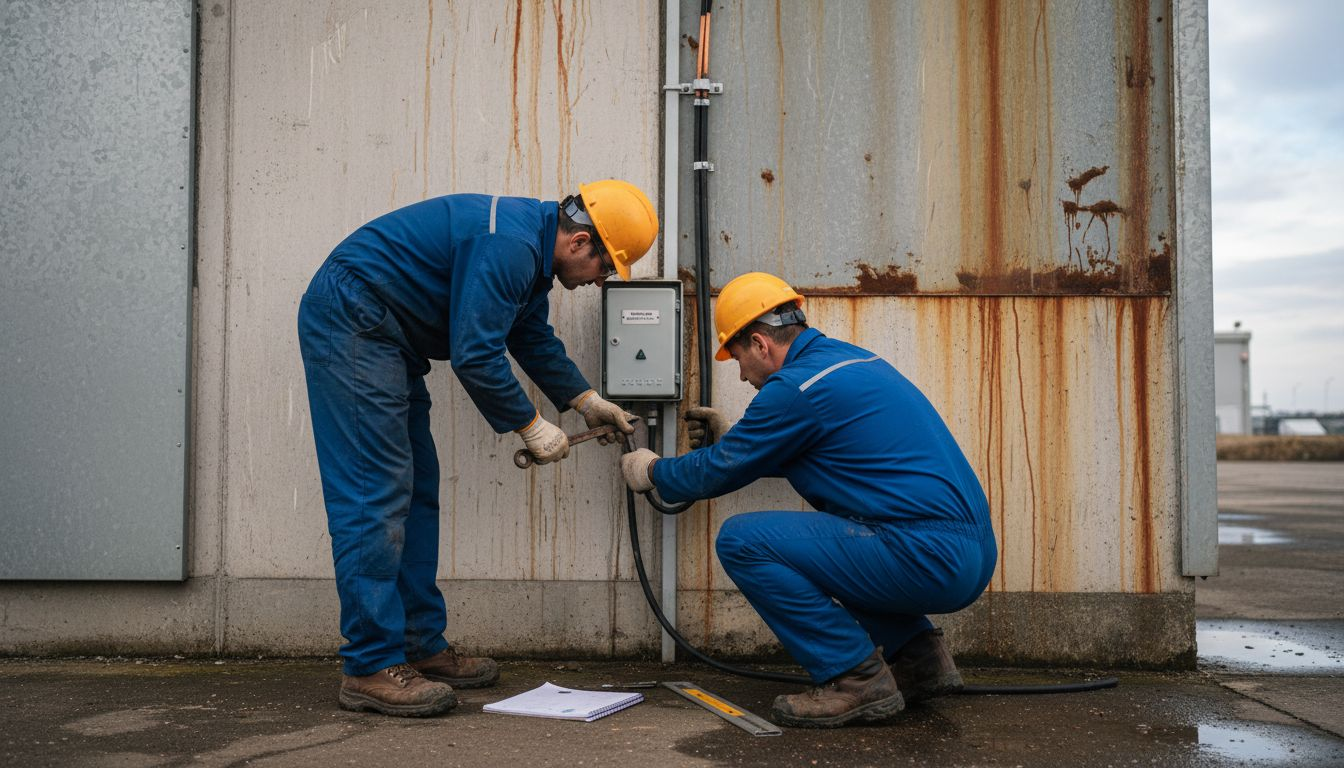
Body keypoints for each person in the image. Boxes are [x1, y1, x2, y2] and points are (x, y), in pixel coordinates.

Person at [298, 180, 658, 717]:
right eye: (606, 267)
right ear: (580, 241)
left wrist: (584, 400)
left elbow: (528, 336)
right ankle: (370, 664)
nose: (600, 281)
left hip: (387, 335)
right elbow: (475, 354)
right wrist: (529, 425)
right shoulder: (510, 245)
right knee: (375, 493)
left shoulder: (531, 253)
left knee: (415, 492)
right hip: (354, 319)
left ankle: (418, 645)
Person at [620, 272, 997, 728]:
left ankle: (856, 679)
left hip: (927, 555)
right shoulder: (853, 361)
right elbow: (826, 452)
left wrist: (653, 470)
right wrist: (734, 439)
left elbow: (718, 471)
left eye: (737, 359)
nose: (741, 374)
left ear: (760, 344)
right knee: (840, 541)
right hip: (968, 553)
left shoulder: (794, 388)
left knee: (743, 540)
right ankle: (920, 658)